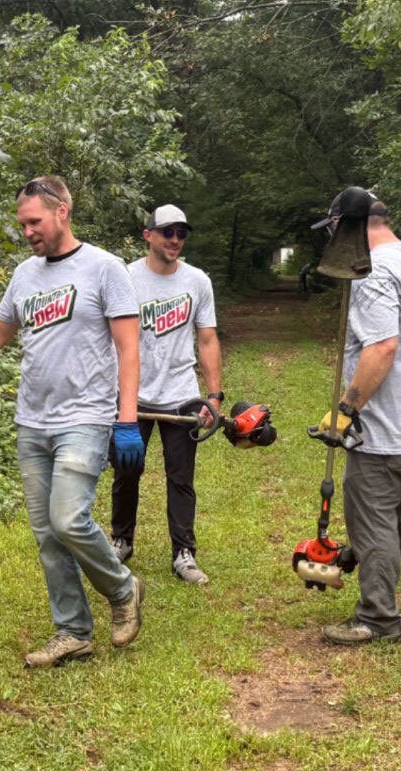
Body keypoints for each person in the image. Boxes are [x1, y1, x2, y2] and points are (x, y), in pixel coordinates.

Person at [0, 176, 145, 667]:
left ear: (62, 212)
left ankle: (123, 588)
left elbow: (128, 348)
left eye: (34, 221)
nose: (27, 231)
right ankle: (73, 630)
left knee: (69, 518)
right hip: (32, 419)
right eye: (22, 224)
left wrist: (126, 420)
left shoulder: (105, 269)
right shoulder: (25, 275)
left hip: (86, 416)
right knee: (47, 534)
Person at [309, 192, 401, 646]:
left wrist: (345, 410)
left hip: (388, 430)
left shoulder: (373, 271)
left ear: (346, 225)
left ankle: (377, 618)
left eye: (334, 230)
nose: (334, 240)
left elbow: (382, 348)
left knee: (374, 524)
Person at [110, 204, 222, 585]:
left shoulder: (197, 281)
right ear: (149, 236)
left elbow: (207, 339)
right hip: (133, 396)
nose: (175, 240)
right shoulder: (124, 278)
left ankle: (184, 553)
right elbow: (108, 338)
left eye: (181, 233)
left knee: (181, 477)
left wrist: (214, 396)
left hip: (182, 395)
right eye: (168, 232)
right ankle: (121, 541)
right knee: (127, 471)